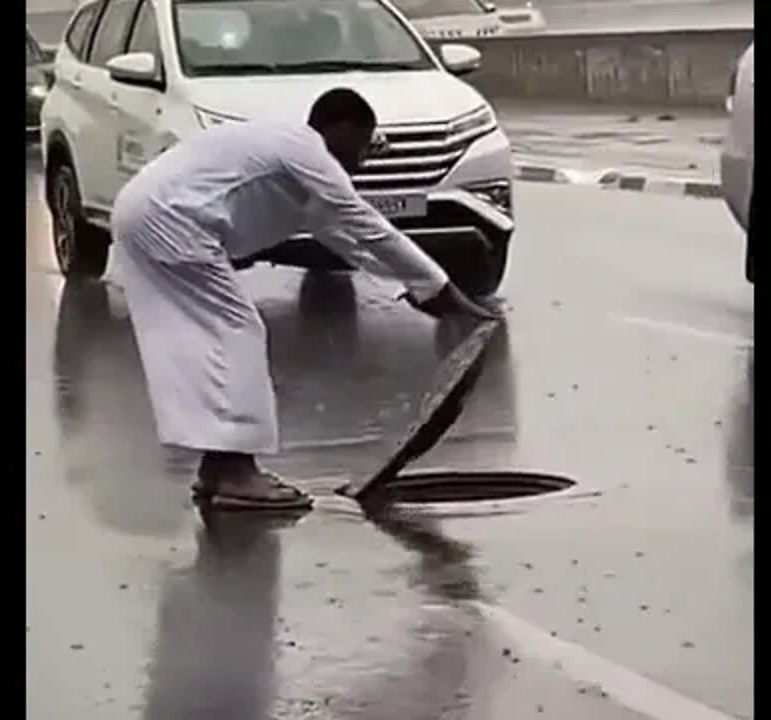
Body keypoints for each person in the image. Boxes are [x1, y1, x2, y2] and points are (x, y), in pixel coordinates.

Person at [111, 87, 497, 511]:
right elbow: (364, 222)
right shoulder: (305, 149)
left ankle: (218, 467)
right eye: (364, 145)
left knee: (206, 339)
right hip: (169, 218)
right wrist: (442, 288)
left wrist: (417, 289)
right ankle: (238, 474)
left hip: (144, 210)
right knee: (235, 331)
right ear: (343, 128)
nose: (363, 160)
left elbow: (350, 242)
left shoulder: (296, 166)